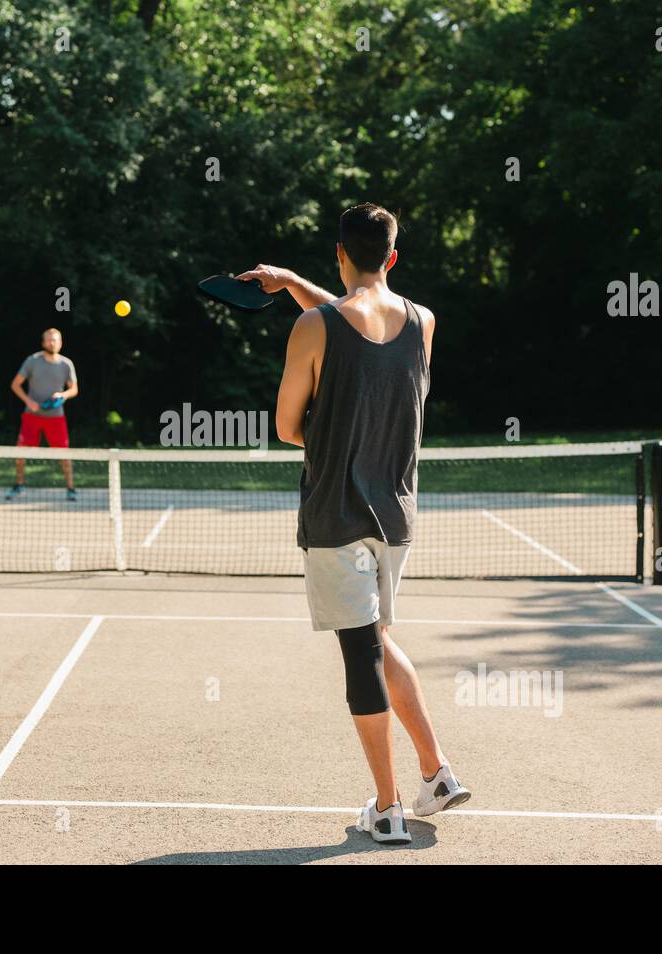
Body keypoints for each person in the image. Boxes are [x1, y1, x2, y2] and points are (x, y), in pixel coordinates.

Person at [242, 202, 470, 845]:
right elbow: (363, 323)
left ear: (339, 254)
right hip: (395, 515)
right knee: (379, 640)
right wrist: (290, 283)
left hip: (335, 514)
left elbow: (288, 426)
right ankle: (437, 773)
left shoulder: (312, 328)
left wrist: (330, 422)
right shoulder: (424, 322)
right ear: (392, 256)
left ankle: (390, 807)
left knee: (361, 652)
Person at [7, 327, 79, 500]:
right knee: (21, 453)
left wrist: (63, 395)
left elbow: (74, 389)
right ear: (43, 342)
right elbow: (15, 385)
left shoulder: (66, 364)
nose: (52, 342)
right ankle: (18, 485)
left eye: (55, 340)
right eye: (48, 339)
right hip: (32, 416)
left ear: (61, 343)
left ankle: (70, 488)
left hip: (56, 417)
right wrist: (28, 401)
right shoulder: (33, 361)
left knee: (64, 454)